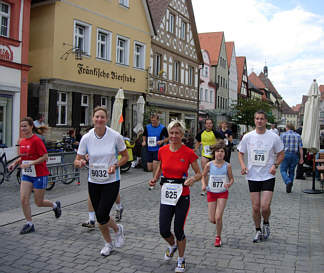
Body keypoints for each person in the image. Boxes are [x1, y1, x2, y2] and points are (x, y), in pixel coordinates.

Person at [74, 106, 128, 256]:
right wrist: (80, 163)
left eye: (102, 117)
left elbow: (125, 157)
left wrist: (116, 165)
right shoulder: (86, 137)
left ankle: (117, 230)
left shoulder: (115, 136)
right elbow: (76, 160)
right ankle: (109, 243)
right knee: (100, 217)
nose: (99, 119)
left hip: (111, 180)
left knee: (102, 213)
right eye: (97, 117)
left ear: (106, 119)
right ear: (92, 119)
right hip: (94, 181)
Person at [149, 120, 201, 273]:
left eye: (177, 133)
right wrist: (155, 178)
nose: (173, 136)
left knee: (178, 230)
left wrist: (193, 179)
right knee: (163, 229)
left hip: (182, 195)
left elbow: (199, 172)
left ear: (182, 135)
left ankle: (181, 259)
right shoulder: (163, 150)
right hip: (166, 195)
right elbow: (160, 166)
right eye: (171, 133)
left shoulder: (188, 152)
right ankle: (172, 245)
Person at [8, 117, 61, 234]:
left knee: (39, 202)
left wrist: (31, 163)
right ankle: (29, 223)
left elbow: (45, 157)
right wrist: (15, 163)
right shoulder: (21, 141)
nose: (23, 128)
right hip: (27, 174)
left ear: (31, 127)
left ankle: (55, 206)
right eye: (21, 126)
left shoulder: (36, 140)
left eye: (25, 126)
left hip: (40, 174)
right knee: (23, 199)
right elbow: (23, 156)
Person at [237, 111, 284, 243]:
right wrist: (242, 165)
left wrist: (275, 165)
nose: (259, 121)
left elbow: (281, 154)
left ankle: (266, 222)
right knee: (256, 207)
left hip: (268, 175)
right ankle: (258, 230)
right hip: (252, 175)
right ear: (254, 120)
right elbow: (240, 153)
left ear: (266, 120)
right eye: (257, 119)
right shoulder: (248, 137)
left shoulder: (273, 137)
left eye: (262, 119)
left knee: (265, 206)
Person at [201, 140, 234, 247]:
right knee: (212, 219)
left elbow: (232, 178)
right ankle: (219, 224)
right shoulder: (209, 165)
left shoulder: (227, 166)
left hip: (222, 193)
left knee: (218, 217)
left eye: (222, 151)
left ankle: (218, 237)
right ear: (214, 153)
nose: (220, 153)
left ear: (225, 154)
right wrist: (203, 185)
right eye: (218, 151)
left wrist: (229, 184)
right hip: (211, 192)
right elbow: (203, 176)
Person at [195, 119, 224, 195]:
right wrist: (195, 149)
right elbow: (197, 141)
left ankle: (216, 186)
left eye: (210, 123)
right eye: (207, 123)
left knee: (215, 172)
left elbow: (221, 140)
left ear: (212, 124)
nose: (208, 125)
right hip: (205, 154)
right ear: (205, 125)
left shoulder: (215, 133)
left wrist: (217, 146)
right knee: (205, 172)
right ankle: (205, 188)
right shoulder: (201, 133)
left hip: (214, 155)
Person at [142, 113, 169, 189]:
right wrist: (144, 141)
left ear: (158, 120)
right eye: (152, 120)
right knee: (149, 168)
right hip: (149, 149)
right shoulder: (147, 127)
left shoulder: (163, 128)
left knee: (155, 165)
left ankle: (153, 183)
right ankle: (160, 173)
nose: (153, 122)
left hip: (158, 150)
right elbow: (144, 135)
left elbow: (167, 138)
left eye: (154, 120)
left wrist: (162, 141)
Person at [280, 124, 303, 193]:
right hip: (295, 155)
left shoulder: (283, 135)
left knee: (283, 170)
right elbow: (300, 148)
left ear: (287, 128)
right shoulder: (298, 136)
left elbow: (280, 147)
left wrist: (278, 156)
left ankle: (288, 181)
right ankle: (289, 187)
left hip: (285, 155)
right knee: (292, 171)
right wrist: (301, 158)